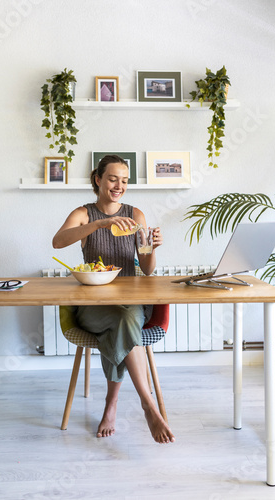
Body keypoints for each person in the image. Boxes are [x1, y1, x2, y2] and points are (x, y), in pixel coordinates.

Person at [53, 154, 175, 444]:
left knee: (126, 318)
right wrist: (100, 224)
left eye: (124, 180)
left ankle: (112, 404)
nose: (119, 185)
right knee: (123, 321)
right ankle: (148, 404)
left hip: (131, 301)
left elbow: (146, 269)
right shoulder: (84, 213)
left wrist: (152, 247)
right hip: (93, 304)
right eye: (112, 178)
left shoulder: (136, 215)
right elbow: (58, 241)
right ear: (98, 179)